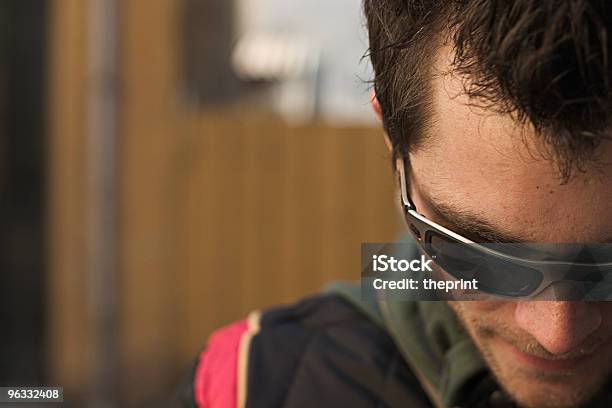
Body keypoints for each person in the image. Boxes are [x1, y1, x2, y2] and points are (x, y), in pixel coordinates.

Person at [177, 1, 612, 407]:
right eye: (481, 253)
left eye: (604, 263)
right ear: (393, 139)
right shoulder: (251, 385)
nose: (559, 333)